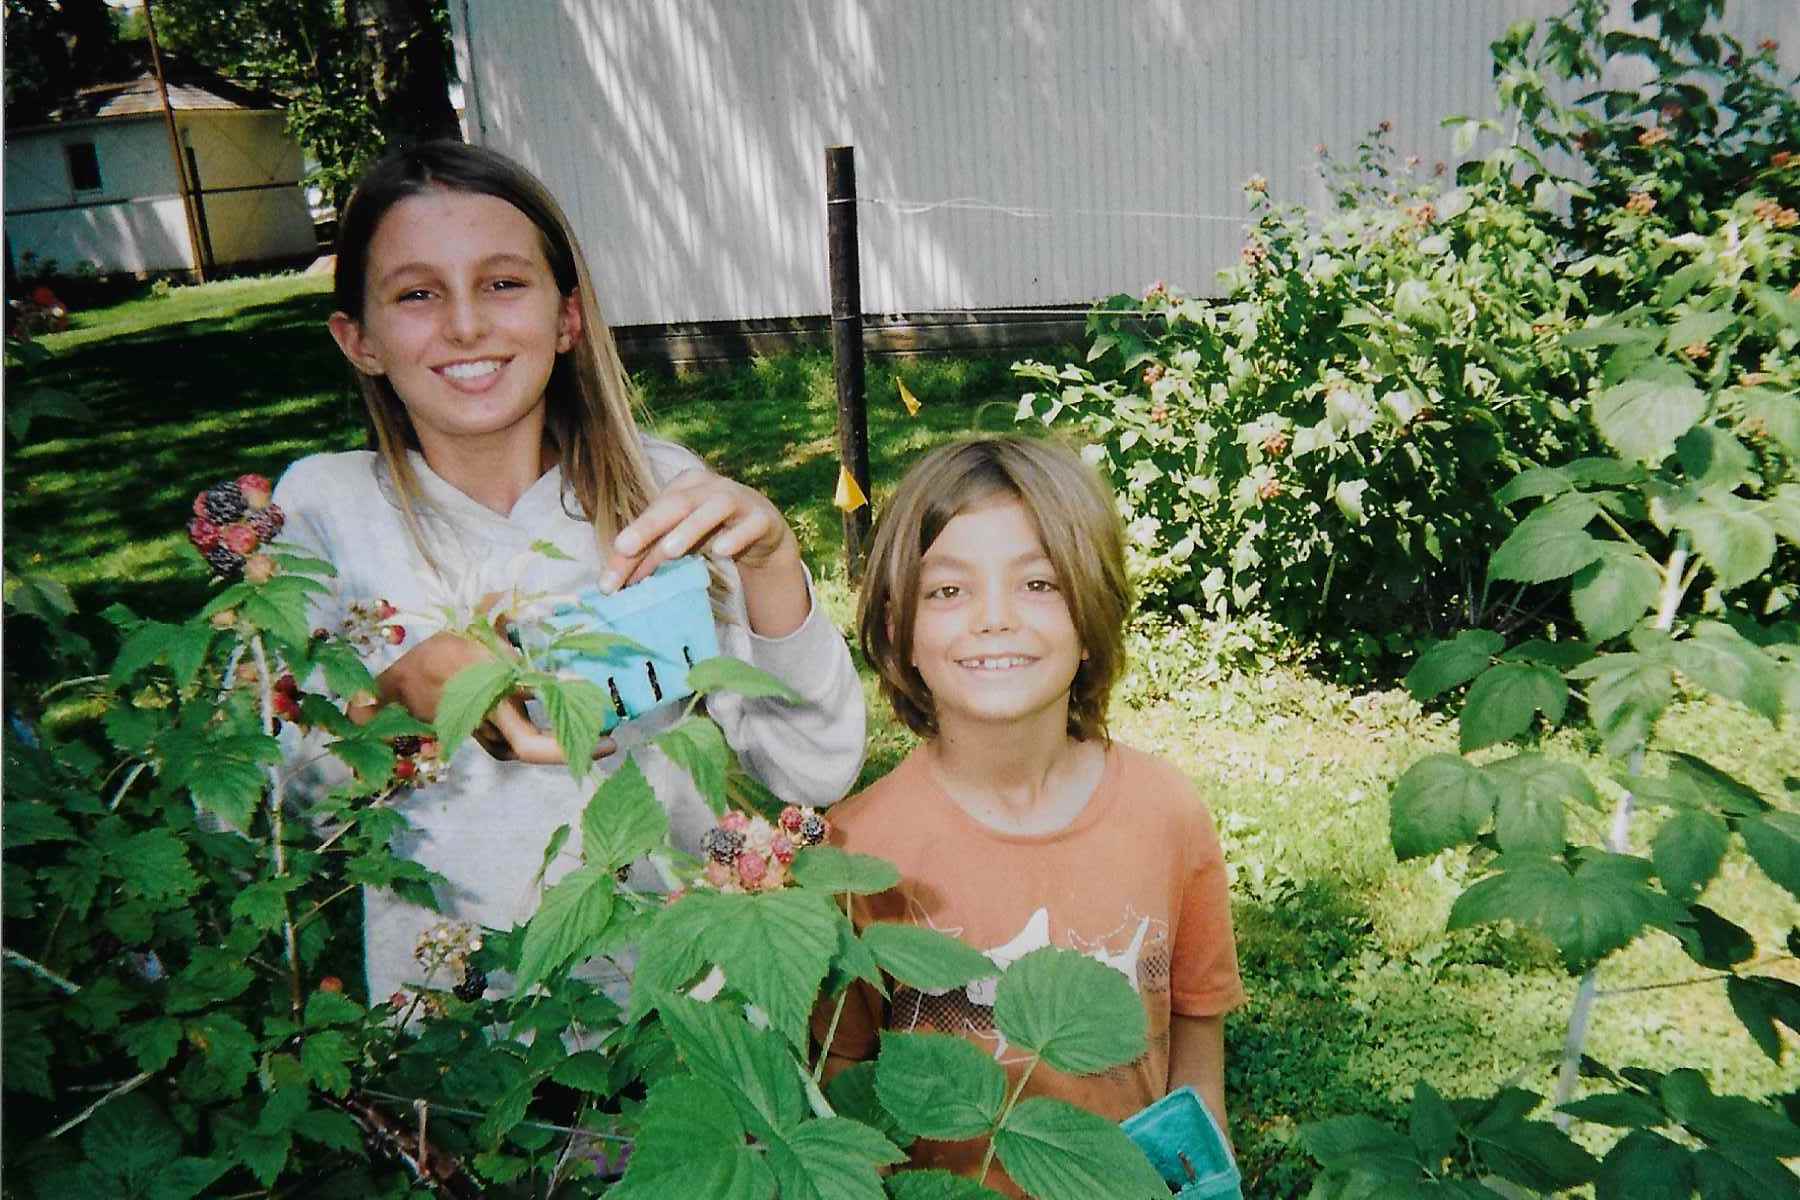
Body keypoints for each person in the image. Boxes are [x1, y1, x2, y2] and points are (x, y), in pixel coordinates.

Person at [273, 141, 865, 1005]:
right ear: (357, 339)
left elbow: (813, 771)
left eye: (504, 283)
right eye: (416, 294)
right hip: (457, 1049)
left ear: (568, 319)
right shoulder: (323, 516)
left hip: (680, 1018)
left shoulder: (662, 493)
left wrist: (772, 566)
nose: (466, 324)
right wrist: (390, 699)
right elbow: (251, 819)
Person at [816, 436, 1244, 1195]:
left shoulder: (1168, 816)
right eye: (948, 591)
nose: (993, 618)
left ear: (1093, 616)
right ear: (897, 628)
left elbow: (1196, 1059)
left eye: (1038, 583)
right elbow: (842, 1088)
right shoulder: (855, 851)